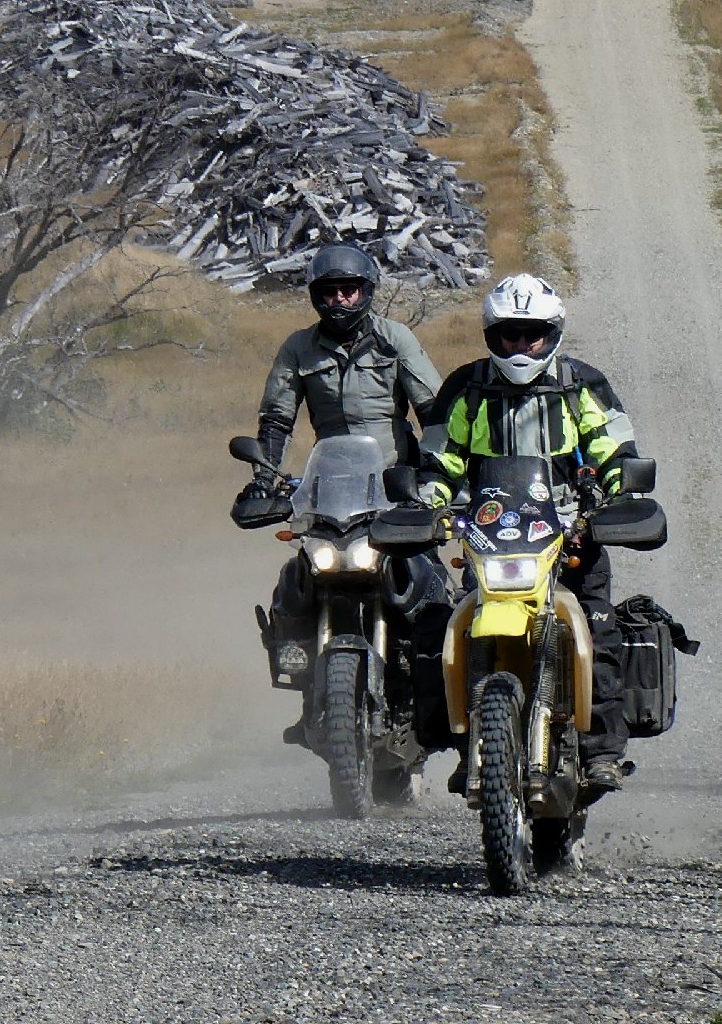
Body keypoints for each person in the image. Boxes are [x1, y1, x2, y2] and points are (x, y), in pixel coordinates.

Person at [417, 272, 641, 791]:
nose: (521, 345)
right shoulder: (465, 388)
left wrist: (620, 493)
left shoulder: (581, 384)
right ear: (492, 334)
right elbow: (439, 460)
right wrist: (428, 502)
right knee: (446, 629)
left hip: (571, 533)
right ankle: (467, 747)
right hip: (488, 538)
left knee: (599, 630)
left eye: (532, 334)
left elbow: (615, 450)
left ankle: (602, 750)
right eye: (510, 334)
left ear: (552, 333)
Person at [241, 244, 451, 720]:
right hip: (332, 487)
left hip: (396, 487)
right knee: (296, 580)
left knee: (432, 585)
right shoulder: (298, 348)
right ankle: (301, 675)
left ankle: (436, 692)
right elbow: (276, 419)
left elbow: (434, 412)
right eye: (330, 291)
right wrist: (264, 478)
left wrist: (435, 474)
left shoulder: (394, 339)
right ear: (316, 296)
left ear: (367, 291)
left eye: (349, 290)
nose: (339, 299)